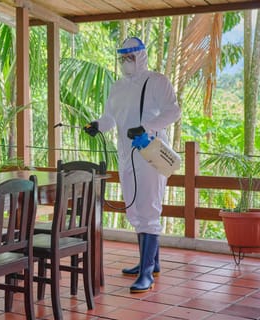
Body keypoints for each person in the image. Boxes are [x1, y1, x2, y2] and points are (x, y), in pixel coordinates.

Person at [84, 37, 181, 293]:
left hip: (150, 153)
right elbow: (110, 118)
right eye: (123, 58)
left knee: (149, 208)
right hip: (126, 156)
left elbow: (173, 112)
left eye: (131, 57)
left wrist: (147, 127)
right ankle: (150, 262)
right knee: (135, 208)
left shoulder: (157, 81)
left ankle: (147, 273)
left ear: (141, 56)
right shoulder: (117, 87)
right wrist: (97, 125)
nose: (126, 62)